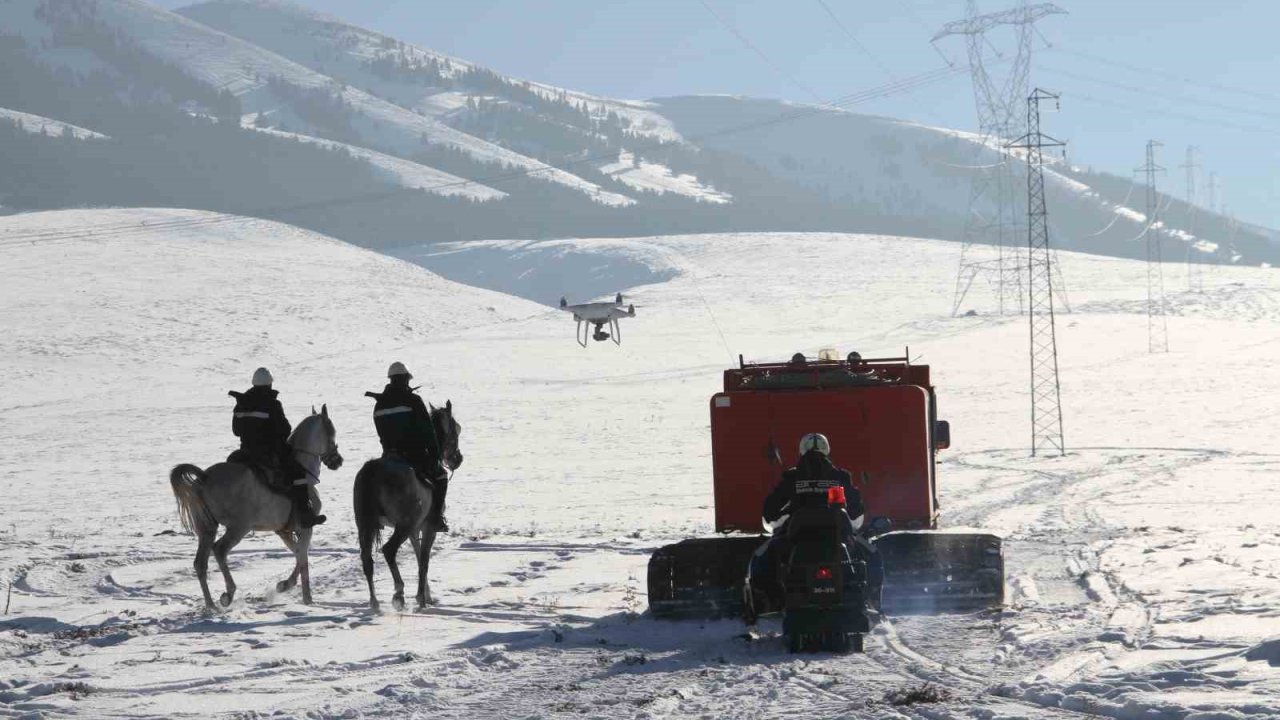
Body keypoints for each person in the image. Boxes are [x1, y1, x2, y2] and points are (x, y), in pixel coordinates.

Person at [745, 432, 865, 620]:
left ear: (801, 450)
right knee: (864, 552)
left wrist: (779, 515)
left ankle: (768, 604)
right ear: (827, 450)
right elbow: (857, 510)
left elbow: (770, 510)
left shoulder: (792, 477)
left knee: (762, 558)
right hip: (836, 538)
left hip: (797, 538)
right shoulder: (841, 476)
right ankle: (867, 598)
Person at [228, 367, 325, 528]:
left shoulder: (241, 403)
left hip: (244, 452)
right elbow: (285, 430)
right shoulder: (272, 404)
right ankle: (305, 515)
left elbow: (236, 430)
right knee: (298, 473)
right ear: (270, 385)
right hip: (266, 453)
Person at [368, 362, 449, 531]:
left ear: (391, 380)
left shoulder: (379, 404)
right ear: (405, 379)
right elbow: (428, 431)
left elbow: (381, 434)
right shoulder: (413, 400)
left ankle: (377, 514)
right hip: (413, 455)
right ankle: (435, 518)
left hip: (389, 456)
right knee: (441, 476)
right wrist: (434, 456)